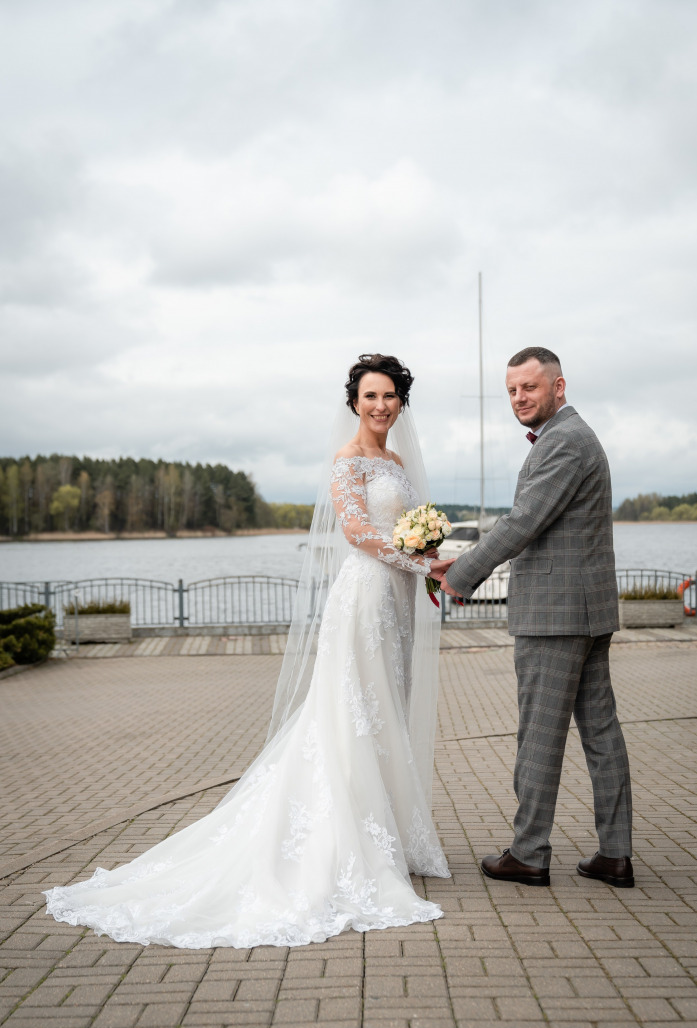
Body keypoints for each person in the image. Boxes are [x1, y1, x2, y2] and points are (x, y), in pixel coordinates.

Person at [44, 355, 453, 948]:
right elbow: (358, 532)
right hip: (363, 600)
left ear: (401, 402)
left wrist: (425, 561)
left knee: (388, 707)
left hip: (398, 602)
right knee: (352, 715)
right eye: (370, 396)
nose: (381, 406)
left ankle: (384, 830)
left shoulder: (396, 462)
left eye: (390, 396)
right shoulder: (348, 462)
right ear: (353, 402)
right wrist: (418, 557)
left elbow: (406, 526)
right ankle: (348, 841)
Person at [439, 346, 633, 888]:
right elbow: (539, 525)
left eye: (529, 387)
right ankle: (614, 855)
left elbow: (523, 521)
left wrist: (461, 574)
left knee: (539, 738)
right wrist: (464, 561)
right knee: (601, 734)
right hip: (585, 612)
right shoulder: (569, 437)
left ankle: (528, 854)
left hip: (556, 617)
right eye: (512, 391)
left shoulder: (565, 441)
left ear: (558, 386)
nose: (519, 398)